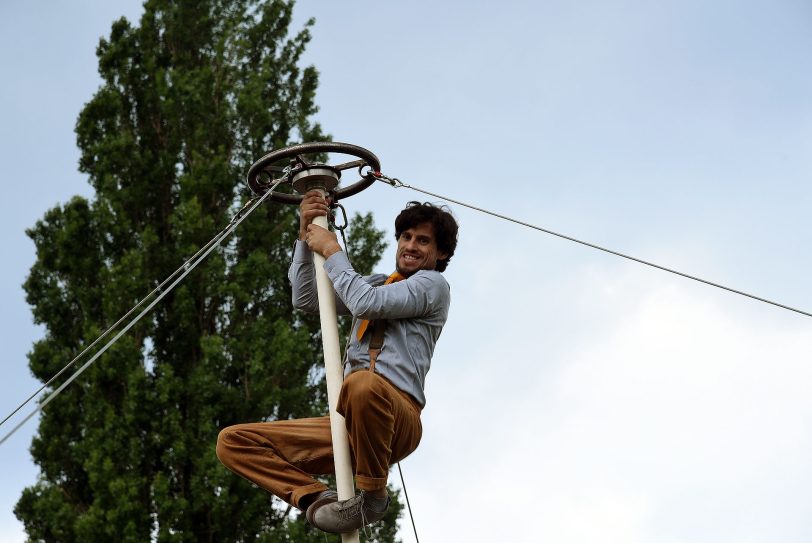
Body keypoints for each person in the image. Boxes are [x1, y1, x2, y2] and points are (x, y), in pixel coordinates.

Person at [216, 190, 459, 534]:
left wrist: (331, 249)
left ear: (442, 252)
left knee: (361, 385)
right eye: (406, 236)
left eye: (423, 240)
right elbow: (305, 297)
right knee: (233, 441)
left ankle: (373, 496)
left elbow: (365, 303)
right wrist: (305, 235)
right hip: (350, 423)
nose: (411, 245)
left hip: (396, 418)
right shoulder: (378, 284)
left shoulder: (433, 285)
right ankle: (316, 497)